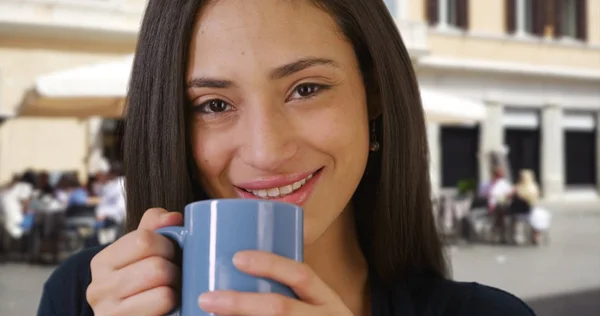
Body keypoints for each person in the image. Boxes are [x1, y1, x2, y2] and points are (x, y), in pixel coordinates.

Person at [38, 1, 535, 315]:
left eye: (306, 88)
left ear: (375, 96)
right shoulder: (84, 297)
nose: (266, 151)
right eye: (213, 105)